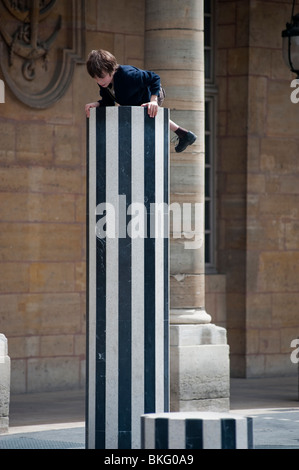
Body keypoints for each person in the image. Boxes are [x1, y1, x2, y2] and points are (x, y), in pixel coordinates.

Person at [85, 49, 197, 153]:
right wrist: (97, 104)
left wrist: (153, 101)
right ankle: (184, 134)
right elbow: (108, 102)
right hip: (135, 100)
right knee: (135, 113)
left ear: (112, 69)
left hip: (152, 93)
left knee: (146, 111)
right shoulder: (105, 82)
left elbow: (154, 78)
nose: (99, 81)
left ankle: (183, 135)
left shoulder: (128, 74)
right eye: (95, 78)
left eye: (101, 77)